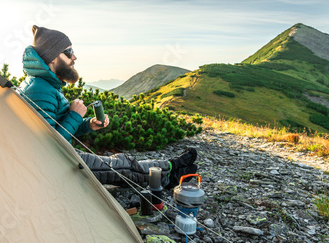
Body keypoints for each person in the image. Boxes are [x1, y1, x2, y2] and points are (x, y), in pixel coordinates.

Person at [19, 25, 197, 188]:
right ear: (52, 57)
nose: (74, 57)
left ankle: (171, 176)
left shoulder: (47, 85)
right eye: (69, 51)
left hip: (64, 156)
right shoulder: (39, 90)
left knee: (123, 165)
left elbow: (56, 128)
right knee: (124, 166)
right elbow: (47, 146)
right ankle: (174, 166)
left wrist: (88, 124)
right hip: (58, 162)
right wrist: (74, 115)